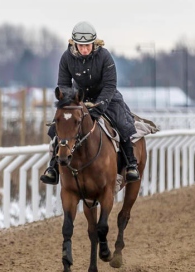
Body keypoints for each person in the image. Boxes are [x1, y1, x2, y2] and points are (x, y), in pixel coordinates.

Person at [40, 21, 140, 185]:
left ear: (94, 43)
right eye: (81, 46)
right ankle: (53, 168)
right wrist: (72, 100)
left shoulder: (105, 56)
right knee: (57, 128)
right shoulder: (66, 58)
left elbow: (110, 85)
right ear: (74, 44)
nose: (85, 49)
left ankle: (131, 164)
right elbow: (64, 85)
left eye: (88, 46)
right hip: (79, 98)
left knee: (122, 123)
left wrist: (99, 107)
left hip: (107, 96)